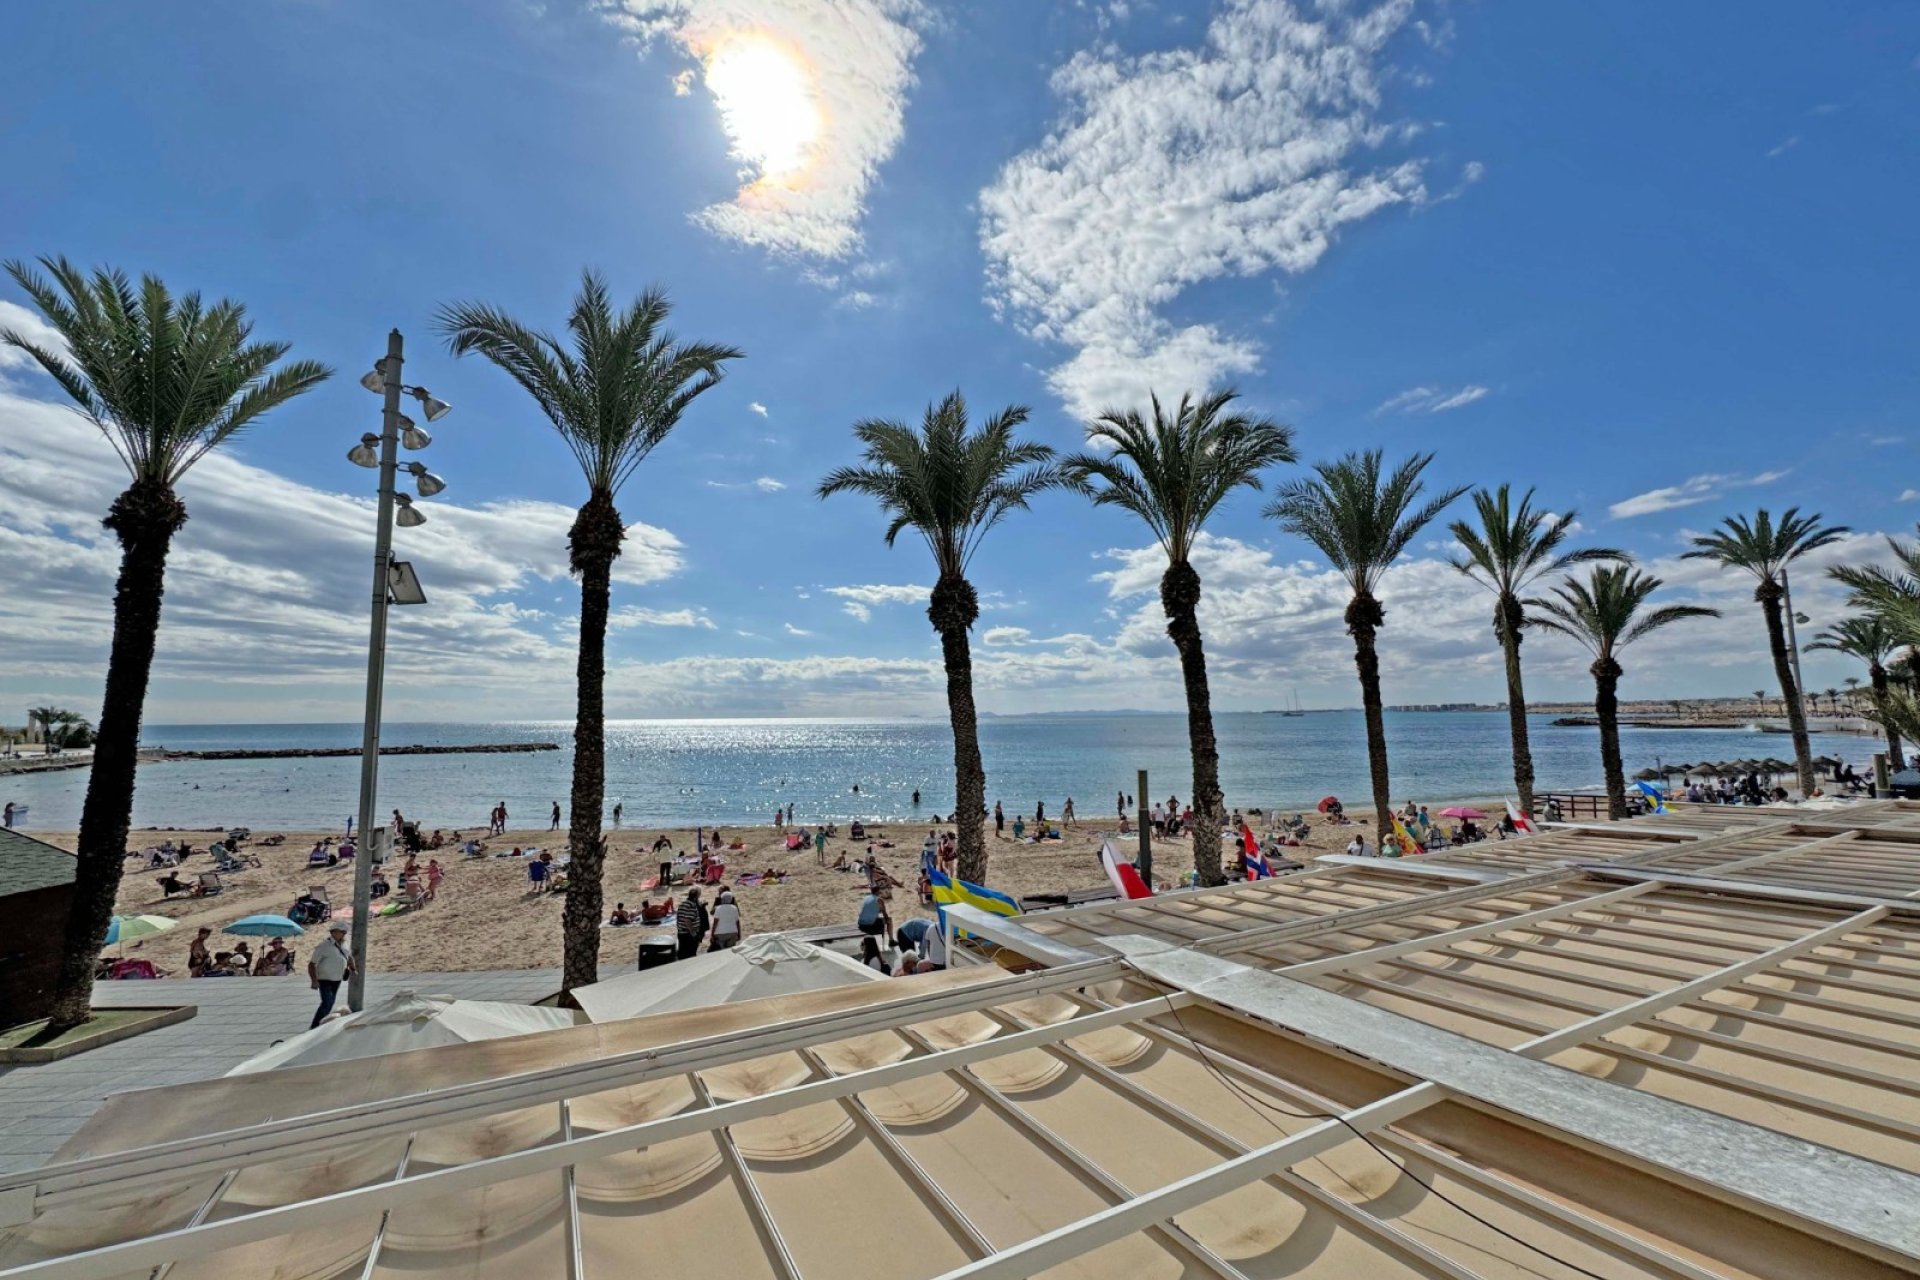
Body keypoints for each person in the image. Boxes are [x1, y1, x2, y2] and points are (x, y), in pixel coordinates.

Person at [308, 925, 354, 1027]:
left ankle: (322, 1024)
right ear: (333, 932)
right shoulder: (324, 946)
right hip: (324, 979)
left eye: (344, 932)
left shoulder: (344, 944)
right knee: (327, 1002)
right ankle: (315, 1026)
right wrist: (314, 980)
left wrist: (352, 966)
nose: (344, 933)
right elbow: (312, 964)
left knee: (330, 1002)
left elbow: (348, 955)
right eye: (341, 931)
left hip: (337, 978)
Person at [676, 887, 709, 960]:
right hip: (688, 935)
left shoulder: (683, 903)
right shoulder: (691, 905)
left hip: (682, 933)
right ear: (696, 897)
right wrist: (693, 933)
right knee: (690, 955)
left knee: (683, 954)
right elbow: (687, 920)